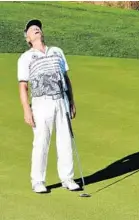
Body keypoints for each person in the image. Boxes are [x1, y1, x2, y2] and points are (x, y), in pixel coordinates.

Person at [17, 19, 80, 193]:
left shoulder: (57, 52)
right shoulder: (25, 58)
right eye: (31, 29)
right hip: (40, 102)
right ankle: (38, 181)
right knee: (41, 142)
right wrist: (26, 109)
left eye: (38, 27)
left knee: (65, 140)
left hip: (61, 100)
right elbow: (23, 86)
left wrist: (71, 100)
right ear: (28, 38)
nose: (36, 29)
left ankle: (67, 178)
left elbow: (66, 78)